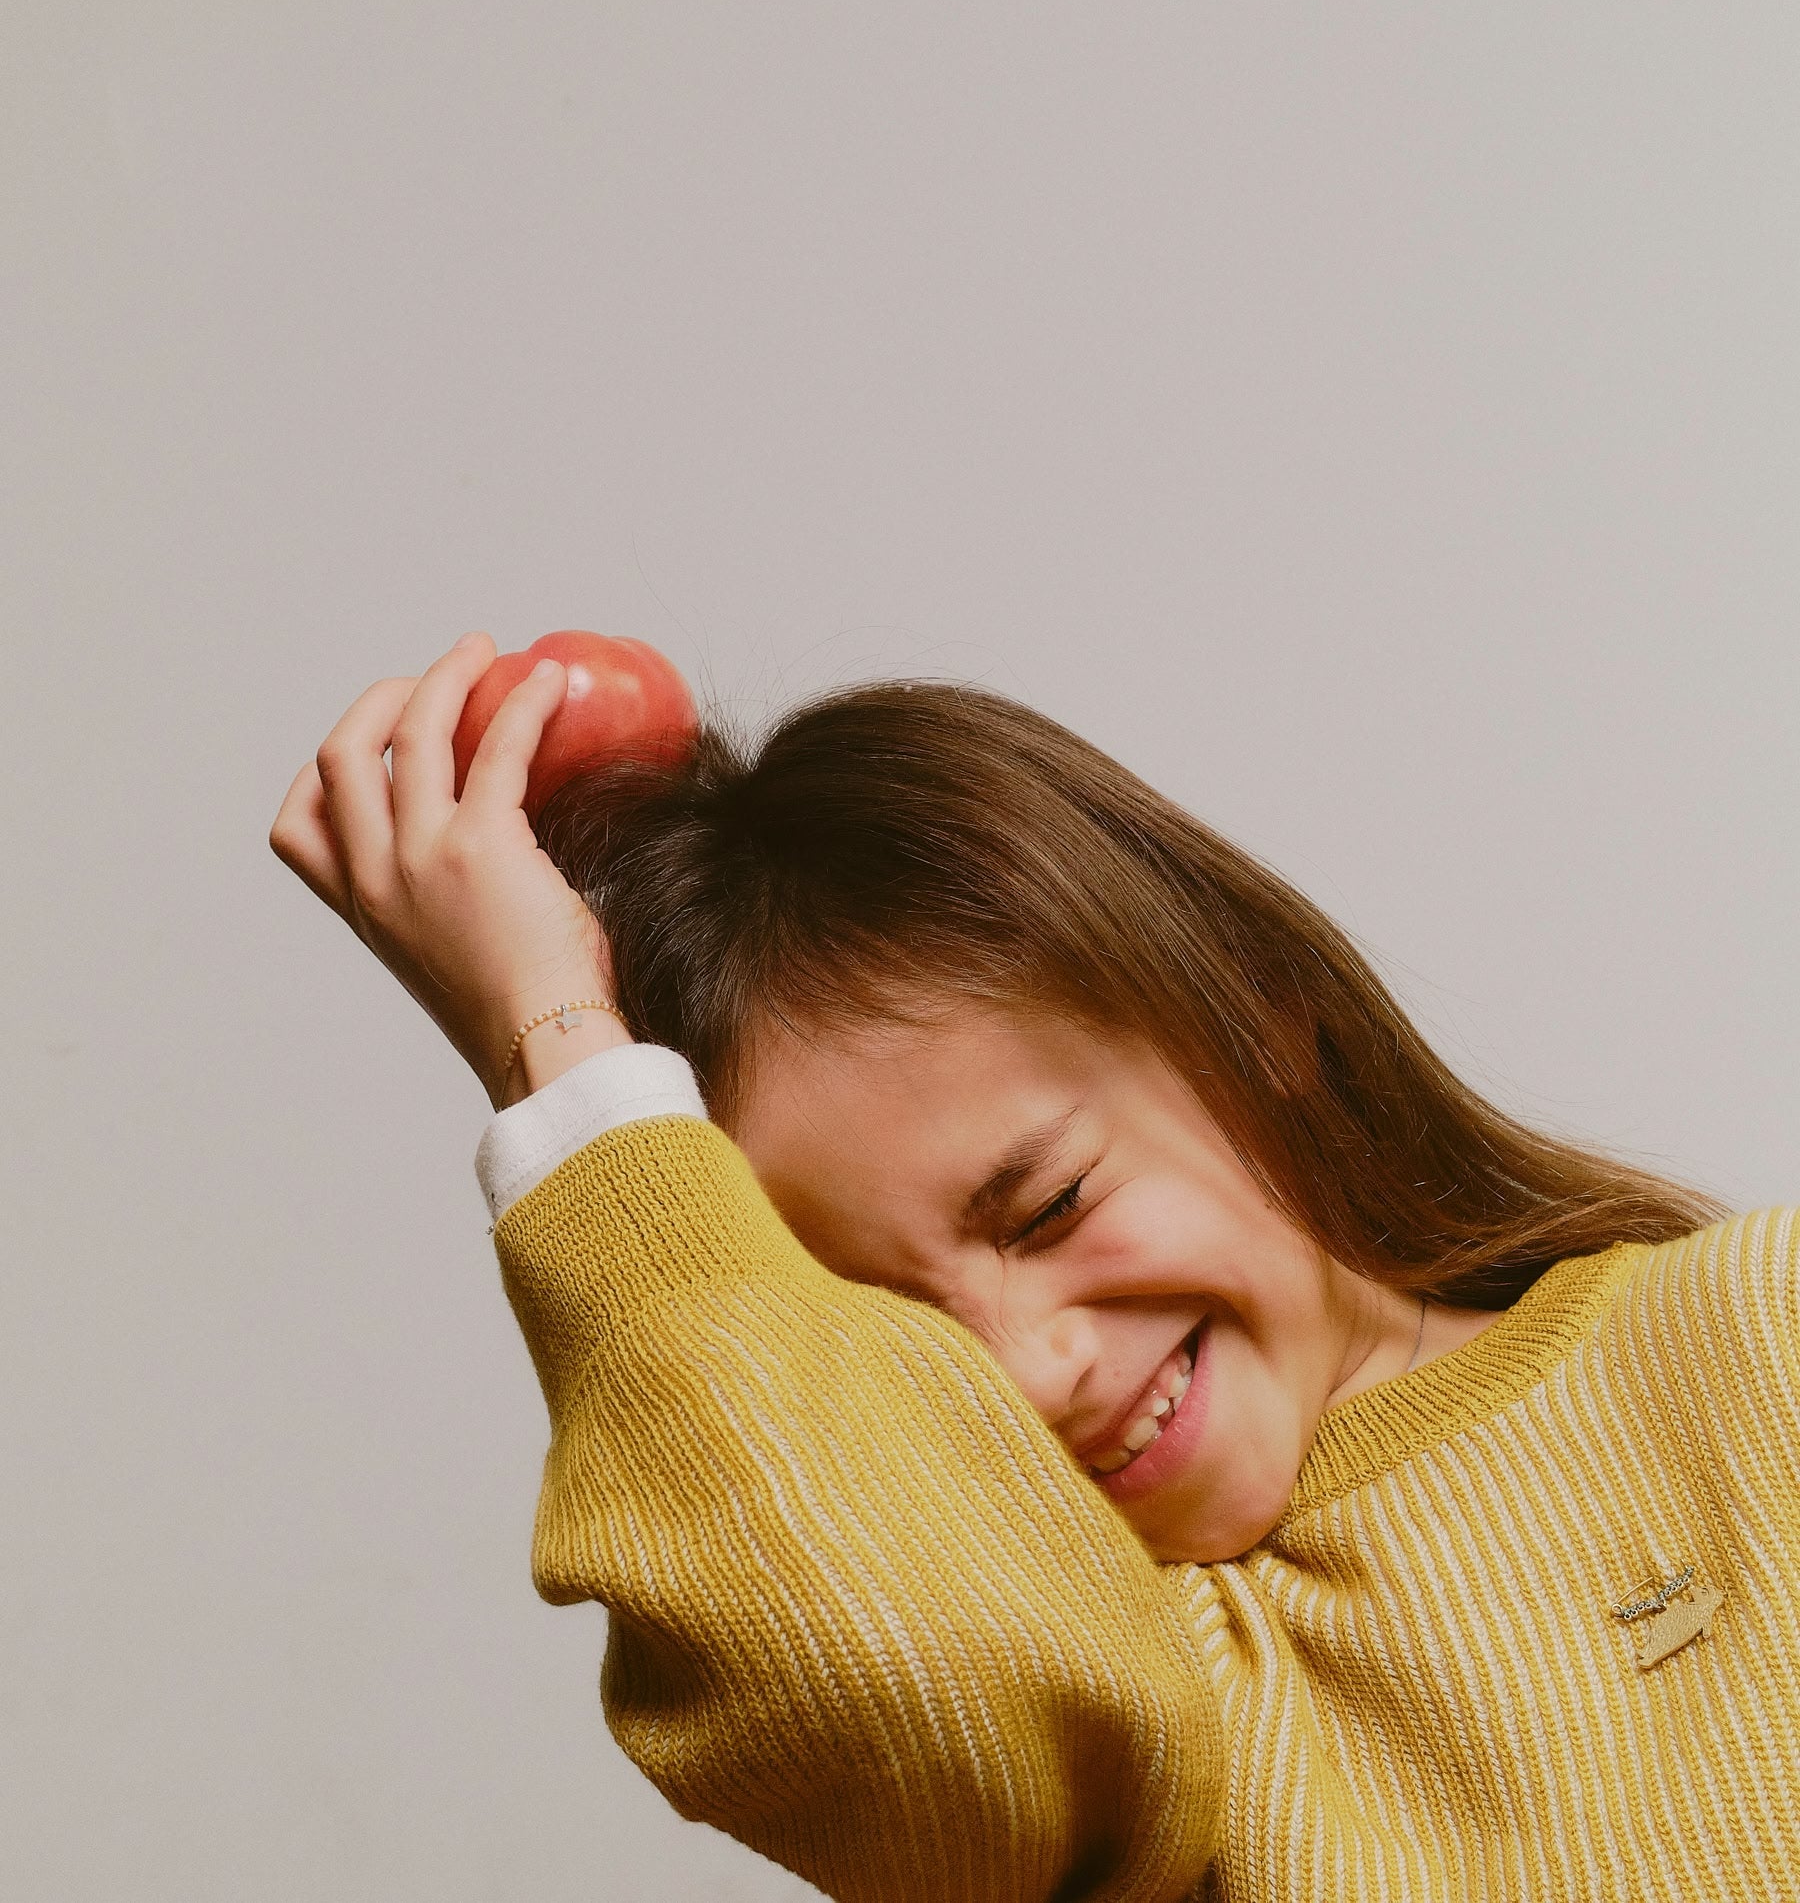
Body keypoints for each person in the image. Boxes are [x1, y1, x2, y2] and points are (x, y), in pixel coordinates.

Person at [271, 632, 1799, 1901]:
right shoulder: (1124, 1706)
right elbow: (880, 1680)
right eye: (899, 1334)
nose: (1029, 1366)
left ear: (1251, 1016)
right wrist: (566, 1067)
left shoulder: (1755, 1340)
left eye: (1050, 1203)